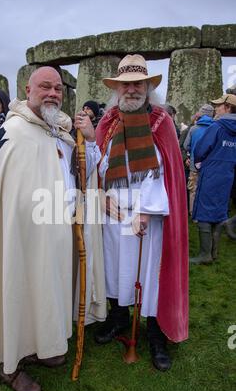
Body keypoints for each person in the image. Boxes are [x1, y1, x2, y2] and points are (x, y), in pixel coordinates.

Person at [0, 66, 106, 391]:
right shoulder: (16, 132)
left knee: (47, 291)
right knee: (19, 287)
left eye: (58, 89)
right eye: (45, 87)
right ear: (28, 89)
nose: (52, 94)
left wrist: (90, 142)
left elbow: (80, 172)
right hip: (25, 235)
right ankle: (11, 366)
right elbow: (13, 192)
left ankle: (41, 345)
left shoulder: (56, 130)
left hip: (58, 231)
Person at [94, 54, 189, 371]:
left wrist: (146, 211)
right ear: (117, 88)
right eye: (125, 84)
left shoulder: (162, 122)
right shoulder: (107, 121)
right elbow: (99, 163)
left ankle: (155, 334)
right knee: (115, 268)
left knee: (150, 275)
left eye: (138, 83)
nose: (131, 89)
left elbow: (165, 172)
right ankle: (119, 318)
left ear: (148, 87)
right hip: (112, 212)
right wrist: (101, 196)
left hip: (147, 216)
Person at [191, 94, 236, 264]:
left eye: (219, 106)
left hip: (211, 172)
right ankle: (214, 253)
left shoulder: (217, 126)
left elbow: (201, 148)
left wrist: (198, 163)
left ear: (228, 107)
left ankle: (204, 255)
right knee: (219, 211)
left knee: (204, 211)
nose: (216, 109)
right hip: (228, 175)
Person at [183, 104, 214, 215]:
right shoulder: (215, 128)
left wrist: (191, 151)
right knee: (206, 189)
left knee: (193, 189)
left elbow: (186, 145)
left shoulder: (193, 128)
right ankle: (204, 213)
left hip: (194, 164)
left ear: (200, 114)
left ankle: (193, 213)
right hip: (210, 165)